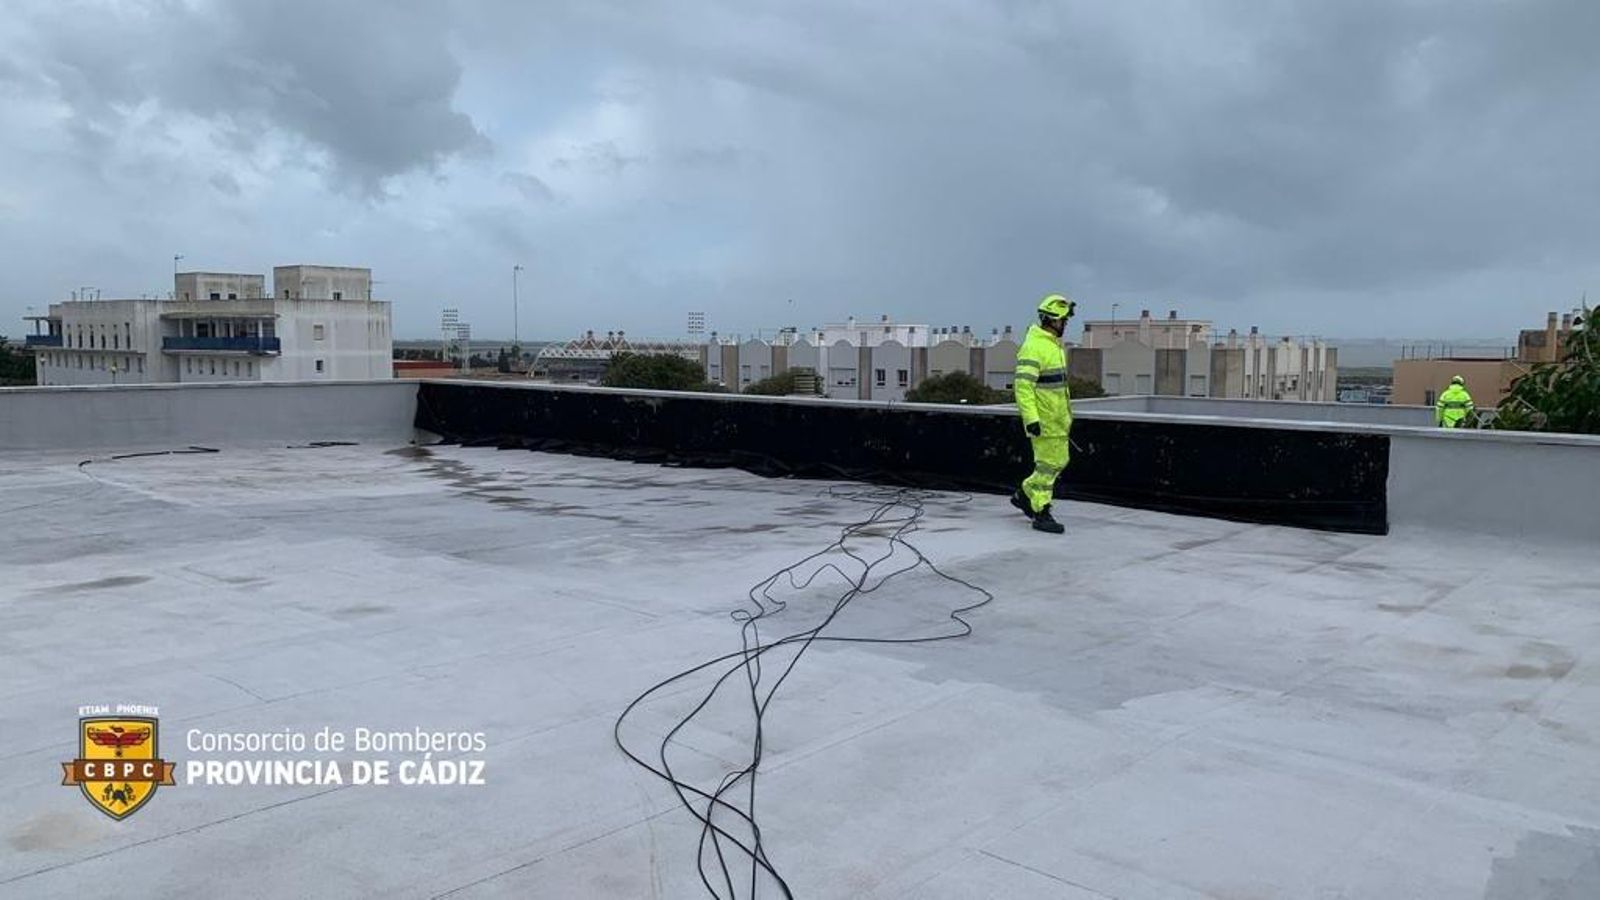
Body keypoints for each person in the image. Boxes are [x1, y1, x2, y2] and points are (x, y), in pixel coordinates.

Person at [1010, 294, 1075, 534]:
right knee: (1047, 465)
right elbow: (1023, 387)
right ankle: (1041, 511)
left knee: (1058, 462)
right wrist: (1032, 420)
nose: (1065, 325)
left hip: (1057, 421)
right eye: (1063, 321)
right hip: (1045, 421)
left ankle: (1024, 494)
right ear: (1051, 320)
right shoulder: (1035, 346)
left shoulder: (1052, 346)